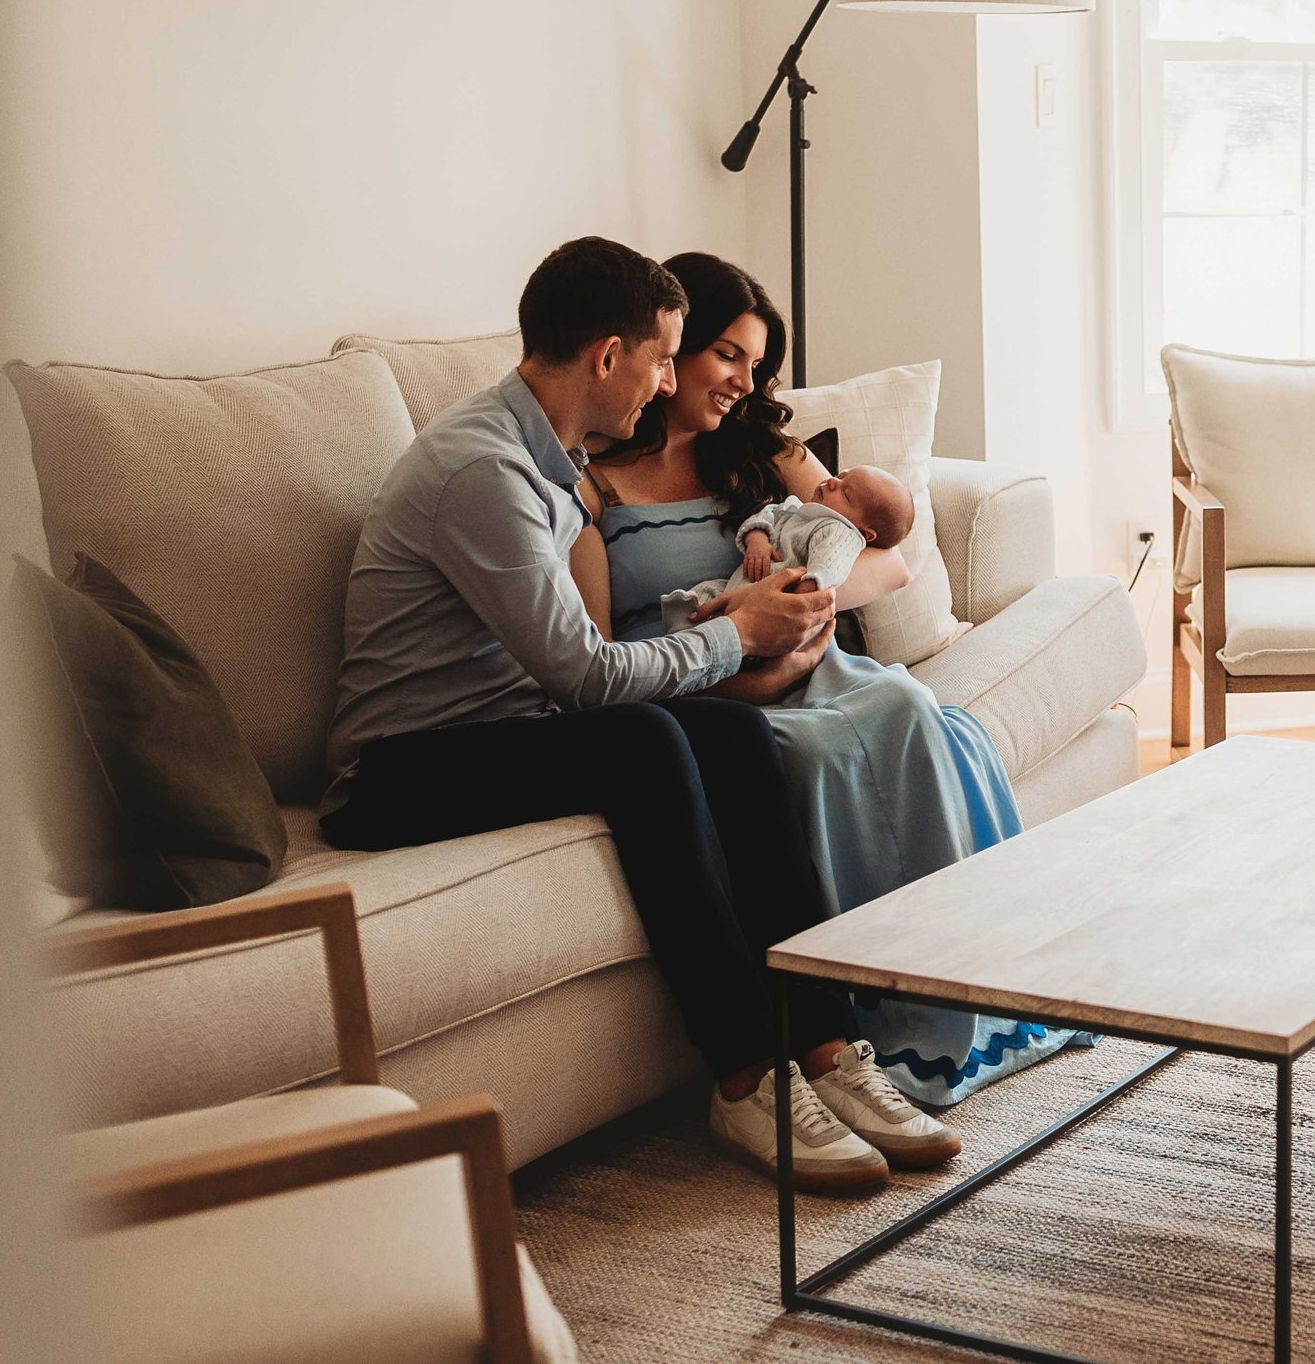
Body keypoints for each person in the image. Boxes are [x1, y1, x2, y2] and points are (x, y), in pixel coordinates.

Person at [318, 235, 915, 1194]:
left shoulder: (550, 454)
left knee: (728, 731)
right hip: (398, 768)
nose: (669, 380)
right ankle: (741, 1076)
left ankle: (828, 1044)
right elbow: (585, 676)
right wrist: (741, 633)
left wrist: (742, 628)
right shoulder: (487, 471)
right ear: (608, 356)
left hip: (500, 726)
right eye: (663, 358)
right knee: (642, 741)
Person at [572, 252, 1092, 1110]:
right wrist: (740, 645)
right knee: (811, 753)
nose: (742, 381)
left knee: (910, 704)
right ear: (669, 349)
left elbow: (882, 556)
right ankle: (870, 1022)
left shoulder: (761, 449)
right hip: (698, 690)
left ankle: (962, 990)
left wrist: (800, 612)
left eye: (754, 362)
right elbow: (593, 651)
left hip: (807, 658)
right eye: (726, 356)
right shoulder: (593, 485)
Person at [655, 464, 913, 633]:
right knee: (705, 593)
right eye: (840, 475)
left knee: (732, 622)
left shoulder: (839, 531)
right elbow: (766, 515)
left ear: (865, 532)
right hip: (739, 586)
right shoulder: (796, 508)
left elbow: (829, 563)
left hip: (775, 603)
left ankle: (694, 638)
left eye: (846, 494)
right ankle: (682, 630)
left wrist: (807, 589)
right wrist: (757, 539)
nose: (832, 482)